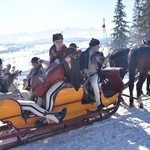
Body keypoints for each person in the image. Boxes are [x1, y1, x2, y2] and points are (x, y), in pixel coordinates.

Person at [40, 33, 82, 124]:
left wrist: (69, 62)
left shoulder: (67, 51)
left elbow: (74, 67)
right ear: (54, 42)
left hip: (63, 78)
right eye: (57, 41)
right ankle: (41, 111)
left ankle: (47, 117)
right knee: (42, 92)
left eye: (61, 41)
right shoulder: (53, 50)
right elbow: (53, 64)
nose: (60, 43)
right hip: (53, 77)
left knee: (49, 94)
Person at [0, 90, 67, 124]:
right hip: (5, 105)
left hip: (7, 102)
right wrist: (12, 94)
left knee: (28, 98)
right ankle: (56, 118)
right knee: (31, 105)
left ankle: (28, 115)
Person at [79, 38, 108, 111]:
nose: (99, 47)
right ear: (92, 46)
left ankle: (99, 104)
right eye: (97, 46)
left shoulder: (99, 54)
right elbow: (79, 65)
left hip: (95, 74)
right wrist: (83, 69)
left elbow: (103, 63)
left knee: (94, 83)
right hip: (85, 76)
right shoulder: (84, 54)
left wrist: (105, 62)